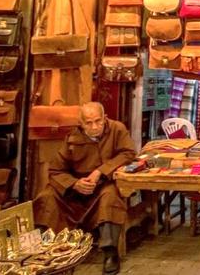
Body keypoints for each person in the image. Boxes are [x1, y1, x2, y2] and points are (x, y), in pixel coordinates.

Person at [33, 102, 135, 275]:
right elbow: (56, 170)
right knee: (47, 196)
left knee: (110, 197)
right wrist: (74, 184)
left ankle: (110, 253)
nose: (95, 127)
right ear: (81, 123)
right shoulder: (72, 137)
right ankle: (47, 249)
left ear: (105, 118)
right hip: (77, 189)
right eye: (89, 123)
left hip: (104, 184)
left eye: (98, 121)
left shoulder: (117, 129)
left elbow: (128, 154)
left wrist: (100, 172)